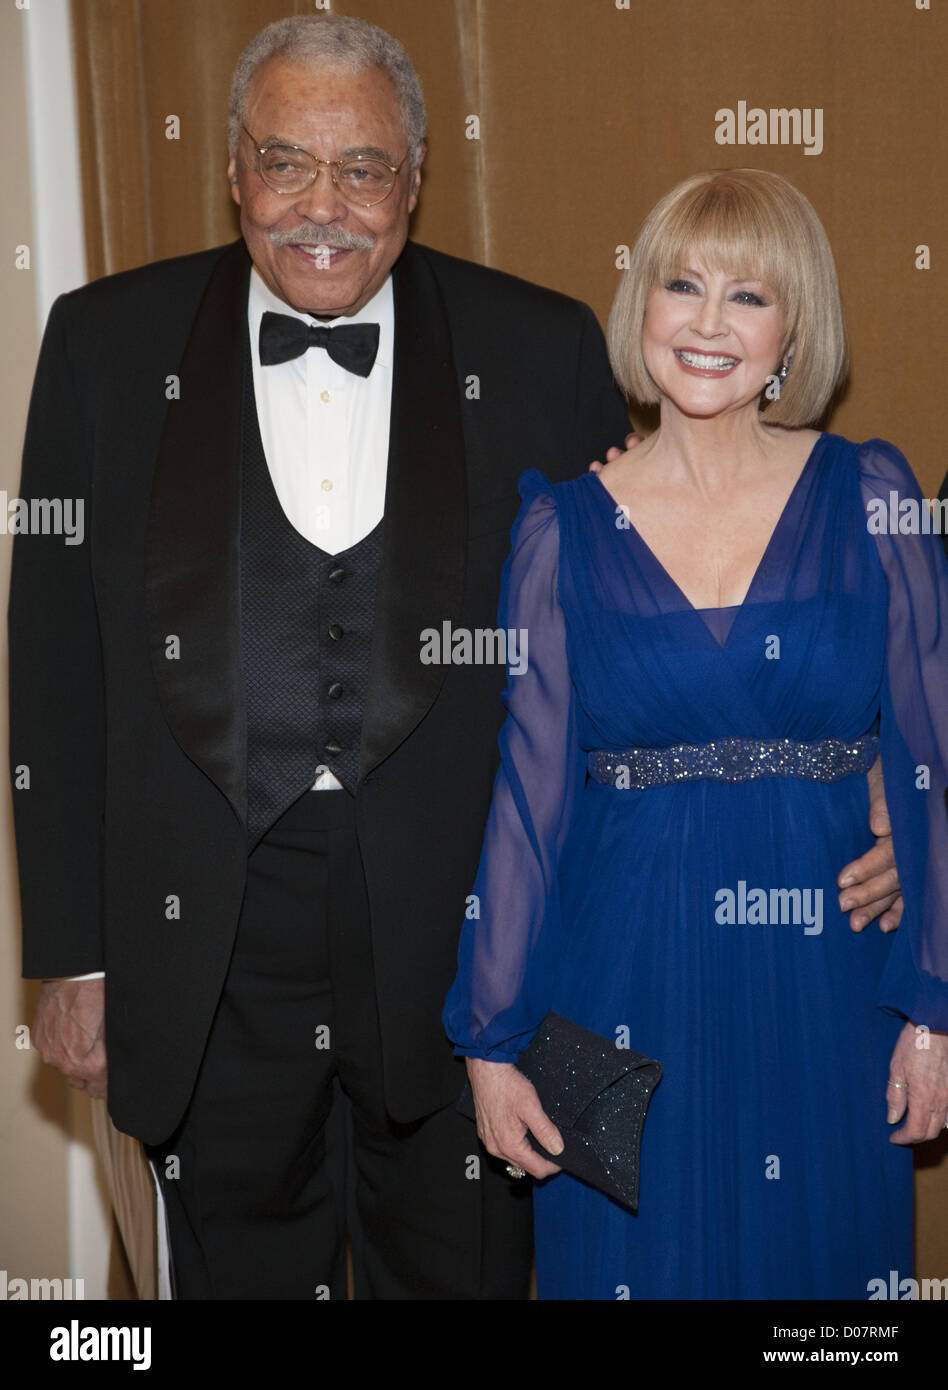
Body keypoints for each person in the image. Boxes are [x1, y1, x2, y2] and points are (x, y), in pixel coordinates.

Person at [9, 13, 898, 1299]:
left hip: (467, 949)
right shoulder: (104, 345)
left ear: (415, 180)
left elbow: (652, 629)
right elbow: (55, 670)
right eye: (285, 162)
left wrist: (873, 778)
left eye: (363, 168)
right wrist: (76, 955)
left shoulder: (538, 350)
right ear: (233, 169)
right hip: (201, 951)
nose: (325, 204)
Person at [444, 168, 948, 1300]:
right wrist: (489, 1035)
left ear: (794, 330)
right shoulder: (560, 527)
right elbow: (526, 797)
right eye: (682, 283)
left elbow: (932, 759)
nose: (710, 322)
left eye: (750, 295)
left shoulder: (874, 495)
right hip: (618, 984)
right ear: (642, 308)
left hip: (829, 990)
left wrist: (937, 1008)